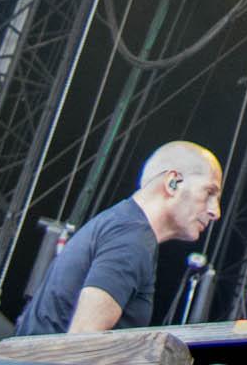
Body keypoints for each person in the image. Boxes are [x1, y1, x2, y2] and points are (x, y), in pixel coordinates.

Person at [19, 143, 221, 334]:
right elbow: (82, 342)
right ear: (172, 183)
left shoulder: (123, 226)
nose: (215, 212)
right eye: (209, 192)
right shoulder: (131, 240)